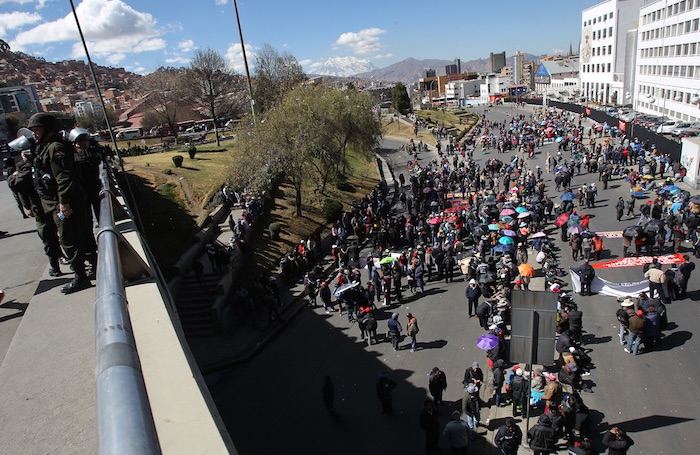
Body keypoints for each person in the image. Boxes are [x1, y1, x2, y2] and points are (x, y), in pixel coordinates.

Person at [28, 113, 91, 294]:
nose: (35, 134)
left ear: (48, 130)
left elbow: (64, 178)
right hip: (55, 202)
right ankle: (82, 272)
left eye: (37, 130)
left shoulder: (56, 148)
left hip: (65, 204)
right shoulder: (45, 147)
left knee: (68, 238)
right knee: (69, 236)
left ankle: (80, 277)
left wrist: (64, 203)